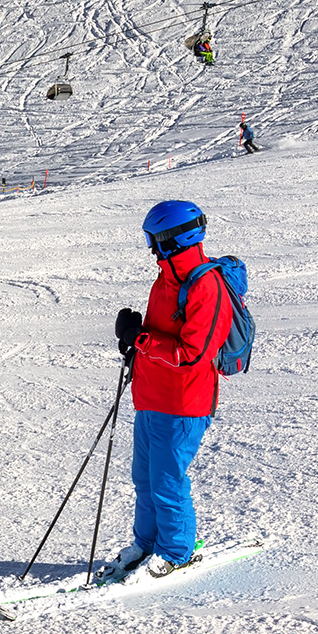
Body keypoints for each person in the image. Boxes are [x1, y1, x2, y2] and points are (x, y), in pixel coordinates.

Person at [110, 200, 234, 578]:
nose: (151, 248)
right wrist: (133, 342)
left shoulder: (206, 286)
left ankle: (177, 551)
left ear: (172, 239)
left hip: (183, 404)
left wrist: (141, 339)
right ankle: (146, 544)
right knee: (145, 480)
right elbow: (159, 337)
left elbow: (193, 353)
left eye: (154, 239)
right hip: (151, 396)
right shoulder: (166, 280)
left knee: (167, 483)